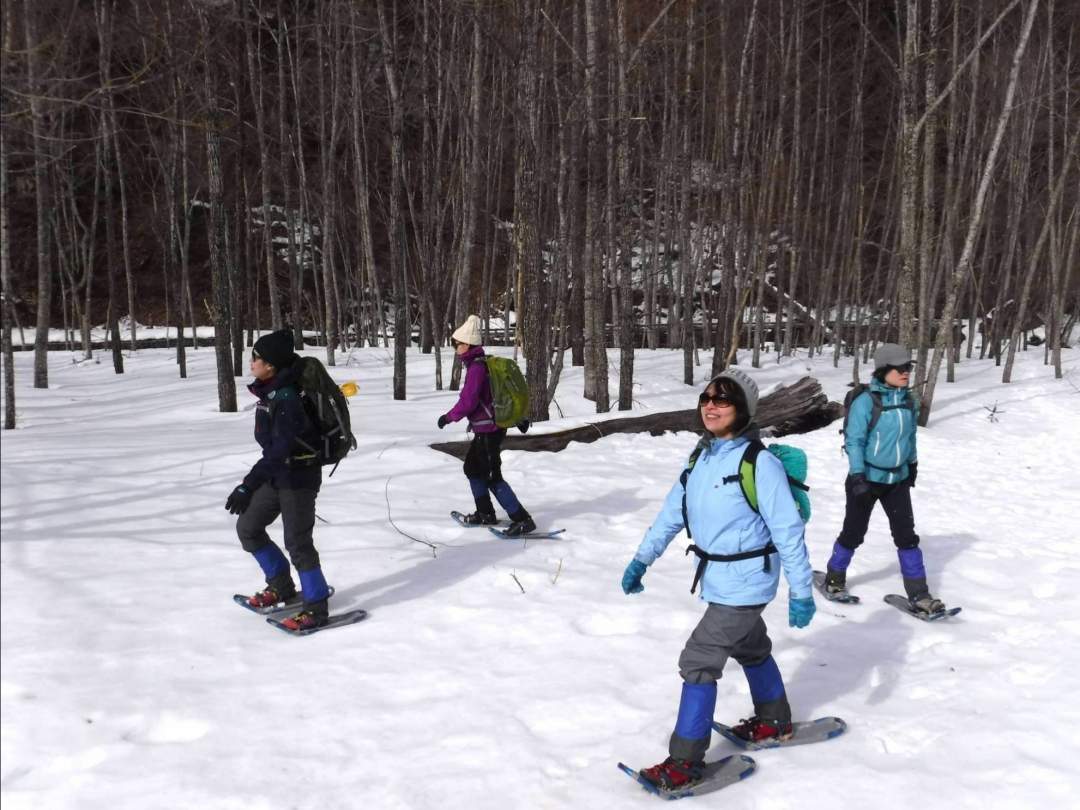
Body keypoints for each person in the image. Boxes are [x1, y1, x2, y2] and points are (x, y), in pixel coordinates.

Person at [621, 368, 815, 792]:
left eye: (723, 399)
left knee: (698, 661)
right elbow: (672, 513)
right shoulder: (700, 458)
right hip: (719, 579)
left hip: (747, 581)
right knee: (750, 645)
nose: (711, 405)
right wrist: (641, 559)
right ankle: (773, 719)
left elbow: (787, 530)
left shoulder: (758, 463)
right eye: (707, 397)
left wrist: (801, 592)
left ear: (742, 410)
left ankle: (684, 763)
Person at [822, 343, 946, 614]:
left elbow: (910, 436)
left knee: (906, 537)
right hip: (866, 478)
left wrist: (912, 465)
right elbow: (854, 441)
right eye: (899, 369)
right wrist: (857, 477)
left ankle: (920, 595)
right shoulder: (868, 401)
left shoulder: (908, 400)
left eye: (908, 368)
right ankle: (834, 578)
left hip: (897, 480)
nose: (906, 373)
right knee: (854, 532)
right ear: (883, 370)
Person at [225, 329, 331, 631]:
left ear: (270, 364)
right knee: (248, 527)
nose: (251, 362)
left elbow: (279, 449)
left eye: (255, 357)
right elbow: (273, 452)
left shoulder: (287, 398)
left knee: (298, 542)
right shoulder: (270, 391)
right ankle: (281, 586)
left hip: (298, 476)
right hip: (279, 472)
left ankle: (316, 607)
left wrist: (248, 484)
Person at [437, 314, 535, 537]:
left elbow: (468, 401)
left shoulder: (477, 369)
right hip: (485, 430)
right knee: (472, 468)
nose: (455, 347)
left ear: (468, 344)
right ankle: (485, 513)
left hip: (490, 431)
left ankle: (523, 520)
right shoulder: (478, 365)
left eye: (457, 343)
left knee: (492, 475)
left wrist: (448, 417)